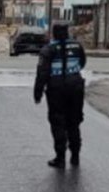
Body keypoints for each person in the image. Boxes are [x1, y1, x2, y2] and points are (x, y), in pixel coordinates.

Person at [34, 23, 87, 168]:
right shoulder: (77, 46)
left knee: (58, 122)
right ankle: (75, 157)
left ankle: (60, 158)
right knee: (74, 122)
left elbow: (42, 73)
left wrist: (37, 93)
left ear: (54, 33)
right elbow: (82, 63)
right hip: (76, 87)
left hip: (56, 89)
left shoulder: (48, 49)